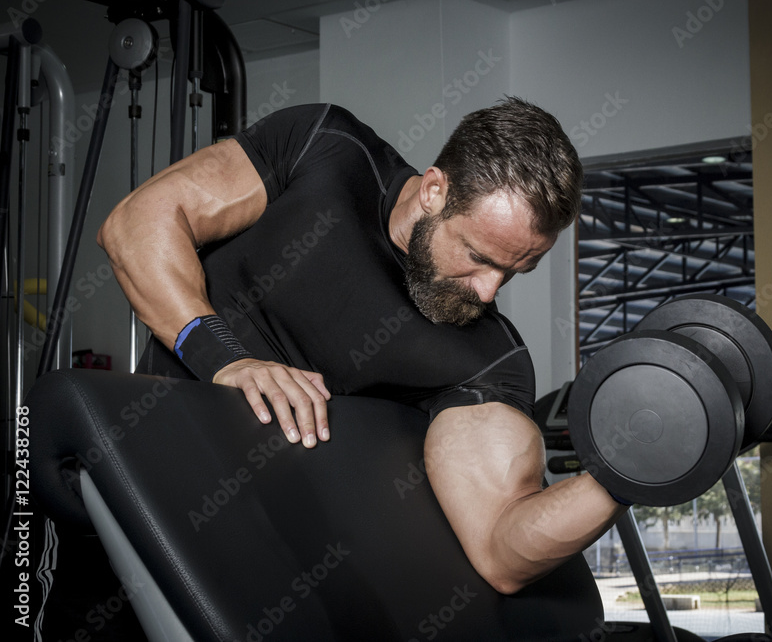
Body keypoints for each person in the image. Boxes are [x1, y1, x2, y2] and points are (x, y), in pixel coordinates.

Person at [97, 97, 627, 595]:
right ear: (434, 190)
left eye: (517, 270)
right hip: (134, 485)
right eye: (478, 255)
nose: (488, 291)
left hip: (266, 563)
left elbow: (499, 550)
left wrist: (627, 472)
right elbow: (135, 225)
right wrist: (227, 361)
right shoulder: (326, 151)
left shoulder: (488, 360)